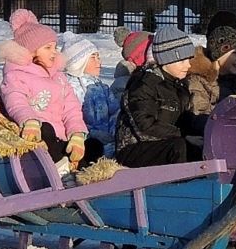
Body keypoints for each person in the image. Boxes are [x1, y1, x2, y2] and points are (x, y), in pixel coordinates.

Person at [0, 9, 102, 171]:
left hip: (62, 141)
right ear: (30, 51)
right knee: (45, 128)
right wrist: (30, 121)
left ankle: (77, 170)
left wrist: (76, 135)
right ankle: (60, 170)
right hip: (37, 142)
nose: (54, 52)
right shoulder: (16, 75)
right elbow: (16, 101)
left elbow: (72, 109)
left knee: (95, 145)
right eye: (47, 48)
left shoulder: (59, 77)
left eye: (55, 47)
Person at [115, 25, 208, 167]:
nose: (188, 65)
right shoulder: (144, 84)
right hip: (133, 149)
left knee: (201, 145)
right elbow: (144, 126)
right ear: (166, 60)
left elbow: (184, 118)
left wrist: (207, 124)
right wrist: (183, 135)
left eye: (189, 60)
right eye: (182, 60)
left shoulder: (178, 85)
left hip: (165, 142)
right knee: (179, 147)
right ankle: (180, 187)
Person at [62, 36, 119, 158]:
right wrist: (92, 133)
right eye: (93, 58)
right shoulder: (67, 86)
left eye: (99, 57)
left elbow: (116, 111)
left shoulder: (102, 87)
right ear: (78, 62)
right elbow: (70, 117)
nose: (99, 62)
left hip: (110, 141)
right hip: (84, 144)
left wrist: (115, 131)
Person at [111, 27, 153, 102]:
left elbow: (136, 64)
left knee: (123, 67)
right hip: (156, 54)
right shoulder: (141, 34)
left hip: (145, 70)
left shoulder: (126, 51)